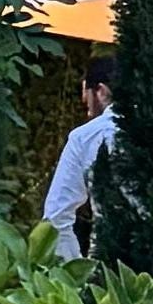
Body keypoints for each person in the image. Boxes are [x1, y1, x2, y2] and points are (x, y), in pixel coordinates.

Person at [40, 62, 120, 257]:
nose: (88, 111)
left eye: (87, 100)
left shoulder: (86, 137)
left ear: (101, 92)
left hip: (109, 258)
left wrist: (73, 269)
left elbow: (56, 217)